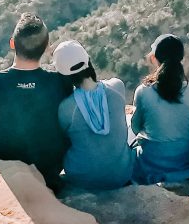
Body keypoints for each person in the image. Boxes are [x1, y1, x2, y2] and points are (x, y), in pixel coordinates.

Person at [0, 13, 70, 188]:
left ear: (12, 43)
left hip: (7, 164)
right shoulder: (59, 81)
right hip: (50, 168)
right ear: (45, 48)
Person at [53, 40, 134, 190]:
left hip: (83, 179)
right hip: (122, 174)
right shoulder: (117, 86)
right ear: (88, 61)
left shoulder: (66, 108)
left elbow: (65, 138)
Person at [131, 34, 189, 184]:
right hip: (184, 160)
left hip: (152, 162)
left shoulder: (143, 91)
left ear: (155, 58)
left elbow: (136, 128)